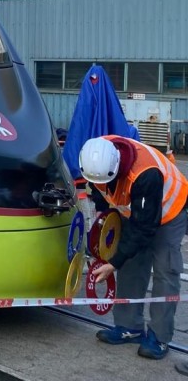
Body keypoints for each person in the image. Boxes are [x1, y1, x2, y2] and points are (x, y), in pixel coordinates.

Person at [79, 135, 187, 361]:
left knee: (165, 270)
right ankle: (130, 327)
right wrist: (103, 217)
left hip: (170, 209)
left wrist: (113, 263)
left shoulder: (145, 174)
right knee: (131, 263)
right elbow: (100, 189)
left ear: (117, 165)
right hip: (135, 209)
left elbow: (144, 228)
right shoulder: (97, 155)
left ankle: (160, 337)